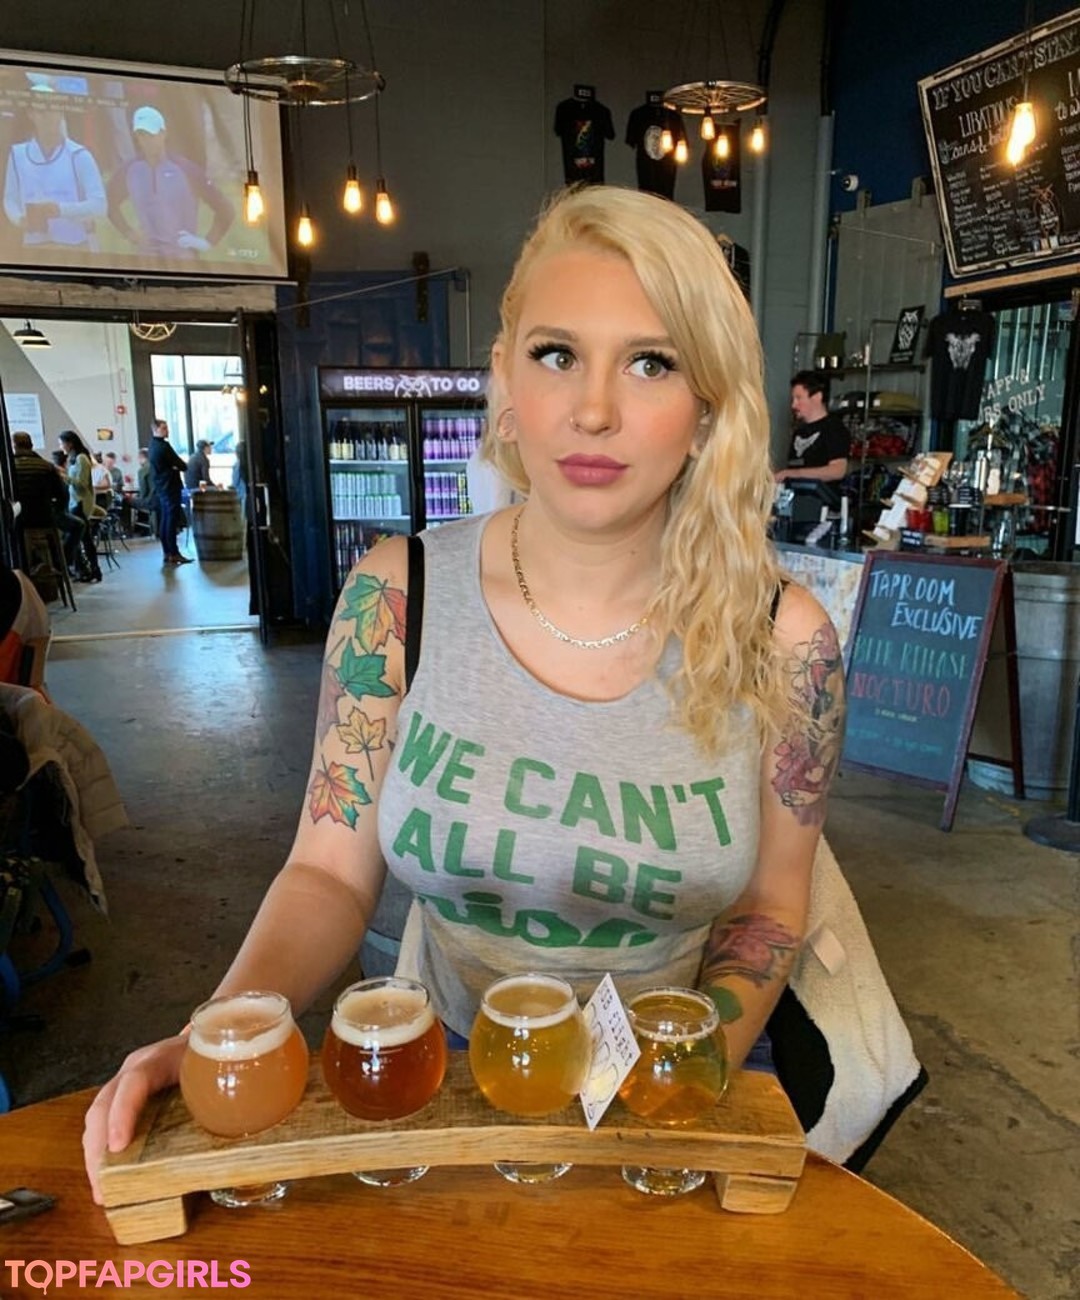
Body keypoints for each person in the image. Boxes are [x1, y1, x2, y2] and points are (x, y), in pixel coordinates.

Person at [84, 187, 904, 1199]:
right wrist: (220, 1029)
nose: (593, 409)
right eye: (557, 354)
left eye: (651, 362)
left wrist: (679, 1076)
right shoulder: (397, 597)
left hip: (673, 1088)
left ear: (707, 409)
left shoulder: (784, 641)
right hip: (447, 1081)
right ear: (506, 382)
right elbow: (327, 874)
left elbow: (774, 903)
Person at [106, 106, 234, 259]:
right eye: (141, 135)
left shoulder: (186, 170)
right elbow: (108, 202)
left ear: (163, 133)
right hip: (146, 260)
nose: (146, 141)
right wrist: (129, 232)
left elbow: (225, 209)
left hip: (183, 260)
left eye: (151, 135)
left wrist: (206, 242)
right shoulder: (130, 170)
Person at [2, 93, 106, 250]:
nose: (48, 117)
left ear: (61, 113)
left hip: (75, 247)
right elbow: (10, 198)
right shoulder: (17, 154)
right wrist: (19, 219)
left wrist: (60, 210)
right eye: (42, 111)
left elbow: (100, 206)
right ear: (31, 114)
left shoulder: (79, 155)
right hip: (34, 248)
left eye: (53, 110)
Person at [11, 431, 84, 574]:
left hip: (17, 521)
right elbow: (62, 494)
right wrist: (59, 511)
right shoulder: (47, 466)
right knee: (79, 525)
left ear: (14, 447)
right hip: (44, 518)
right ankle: (61, 563)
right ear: (31, 445)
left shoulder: (8, 468)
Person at [774, 370, 849, 483]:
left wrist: (794, 474)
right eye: (793, 399)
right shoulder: (799, 432)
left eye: (799, 398)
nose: (793, 405)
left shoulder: (834, 428)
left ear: (817, 397)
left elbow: (837, 470)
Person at [58, 430, 102, 583]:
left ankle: (92, 570)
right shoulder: (74, 459)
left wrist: (63, 476)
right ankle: (88, 570)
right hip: (75, 502)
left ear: (69, 443)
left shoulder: (81, 459)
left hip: (80, 503)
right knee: (82, 538)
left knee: (84, 539)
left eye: (62, 443)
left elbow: (81, 484)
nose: (61, 446)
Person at [146, 419, 191, 566]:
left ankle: (167, 552)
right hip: (170, 486)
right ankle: (174, 552)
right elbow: (182, 465)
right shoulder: (164, 447)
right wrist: (175, 467)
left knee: (165, 519)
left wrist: (174, 466)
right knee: (171, 520)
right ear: (156, 430)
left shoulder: (152, 446)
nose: (167, 431)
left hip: (161, 487)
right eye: (164, 428)